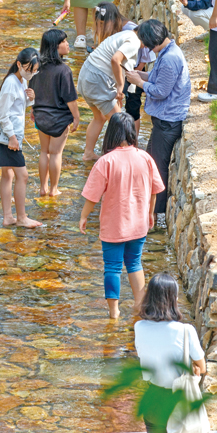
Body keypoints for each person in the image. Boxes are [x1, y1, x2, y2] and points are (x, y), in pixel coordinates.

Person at [79, 113, 164, 319]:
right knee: (135, 263)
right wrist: (150, 214)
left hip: (113, 225)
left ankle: (114, 312)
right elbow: (154, 190)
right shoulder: (145, 158)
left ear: (111, 133)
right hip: (138, 223)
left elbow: (92, 196)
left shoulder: (106, 161)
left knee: (112, 267)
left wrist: (83, 216)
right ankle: (139, 306)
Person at [134, 273, 206, 433]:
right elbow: (202, 367)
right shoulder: (185, 330)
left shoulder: (139, 327)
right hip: (179, 398)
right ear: (173, 298)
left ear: (149, 298)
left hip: (153, 398)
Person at [126, 20, 190, 220]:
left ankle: (154, 212)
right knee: (150, 162)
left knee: (156, 168)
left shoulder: (170, 58)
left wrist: (139, 83)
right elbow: (156, 76)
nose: (143, 46)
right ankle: (150, 208)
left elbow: (161, 91)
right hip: (163, 120)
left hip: (168, 122)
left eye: (144, 42)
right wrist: (141, 75)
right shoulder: (167, 51)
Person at [76, 3, 142, 161]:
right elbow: (115, 59)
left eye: (102, 24)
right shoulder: (132, 38)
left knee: (99, 117)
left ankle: (89, 153)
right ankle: (125, 159)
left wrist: (120, 85)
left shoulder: (127, 34)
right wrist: (120, 85)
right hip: (97, 79)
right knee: (121, 123)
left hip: (87, 75)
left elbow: (115, 60)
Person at [0, 47, 43, 228]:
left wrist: (31, 99)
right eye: (29, 70)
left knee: (8, 174)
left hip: (8, 132)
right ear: (19, 64)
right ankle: (21, 217)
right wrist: (12, 138)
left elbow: (18, 107)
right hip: (5, 134)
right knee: (23, 175)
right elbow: (3, 114)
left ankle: (7, 217)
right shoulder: (11, 83)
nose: (31, 74)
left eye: (34, 71)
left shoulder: (21, 81)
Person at [29, 28, 80, 197]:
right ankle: (53, 189)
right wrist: (76, 116)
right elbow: (70, 98)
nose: (67, 44)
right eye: (64, 41)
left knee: (44, 151)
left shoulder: (37, 68)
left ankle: (42, 188)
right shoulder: (63, 70)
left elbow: (32, 90)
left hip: (40, 116)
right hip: (59, 119)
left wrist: (32, 110)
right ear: (56, 47)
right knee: (56, 153)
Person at [120, 17, 155, 138]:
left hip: (135, 70)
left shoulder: (139, 35)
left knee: (133, 106)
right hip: (120, 70)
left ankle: (133, 141)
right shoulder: (121, 33)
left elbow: (144, 59)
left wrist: (134, 73)